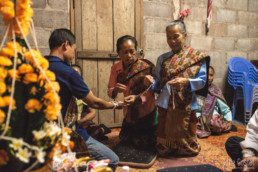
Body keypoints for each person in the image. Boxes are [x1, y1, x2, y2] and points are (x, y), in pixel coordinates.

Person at [45, 28, 121, 170]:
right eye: (74, 49)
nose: (74, 54)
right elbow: (94, 102)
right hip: (66, 134)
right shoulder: (68, 72)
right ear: (66, 45)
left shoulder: (37, 65)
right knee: (112, 160)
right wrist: (116, 105)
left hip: (39, 132)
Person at [144, 20, 210, 156]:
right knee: (164, 131)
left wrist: (186, 82)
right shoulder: (162, 59)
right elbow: (157, 82)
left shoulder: (196, 57)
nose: (172, 41)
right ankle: (166, 148)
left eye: (176, 36)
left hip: (186, 102)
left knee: (188, 130)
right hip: (165, 101)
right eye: (169, 37)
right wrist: (150, 81)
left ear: (185, 35)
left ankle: (186, 148)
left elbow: (202, 81)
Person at [107, 35, 157, 148]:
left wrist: (137, 98)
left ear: (136, 51)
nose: (129, 56)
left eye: (132, 51)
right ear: (118, 53)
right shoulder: (116, 68)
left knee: (147, 144)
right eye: (125, 52)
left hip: (147, 109)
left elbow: (153, 91)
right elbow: (110, 92)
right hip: (130, 112)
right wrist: (115, 90)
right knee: (126, 142)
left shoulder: (145, 67)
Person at [63, 64, 111, 141]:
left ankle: (102, 129)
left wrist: (79, 122)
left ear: (80, 78)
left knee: (91, 134)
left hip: (81, 123)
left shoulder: (84, 93)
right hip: (69, 124)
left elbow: (93, 112)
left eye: (77, 75)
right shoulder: (63, 93)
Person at [196, 66, 232, 138]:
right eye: (206, 75)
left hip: (211, 116)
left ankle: (205, 127)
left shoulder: (215, 91)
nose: (209, 78)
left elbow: (225, 109)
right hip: (197, 116)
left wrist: (230, 121)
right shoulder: (195, 90)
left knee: (216, 124)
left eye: (211, 75)